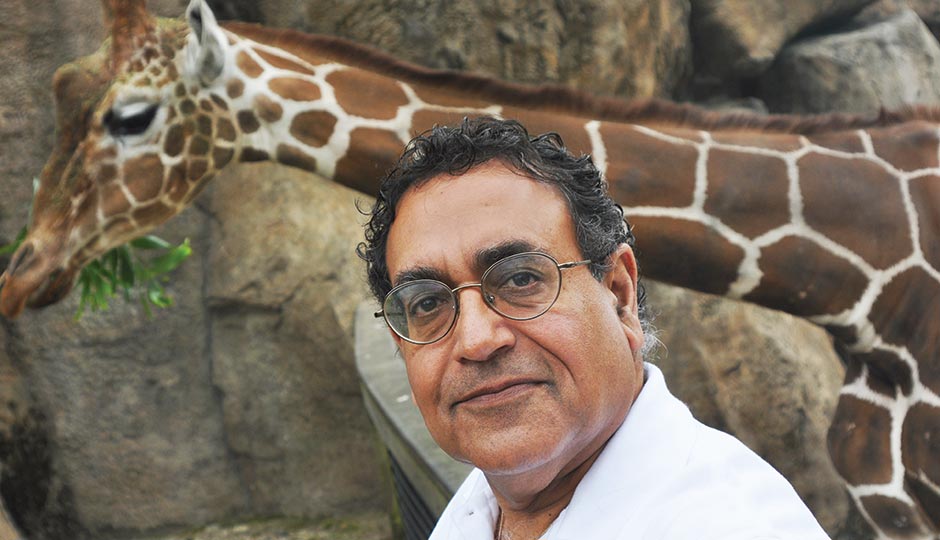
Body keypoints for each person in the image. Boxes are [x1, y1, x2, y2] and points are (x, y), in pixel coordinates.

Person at [357, 116, 830, 540]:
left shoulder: (727, 525)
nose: (477, 340)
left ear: (619, 294)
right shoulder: (493, 504)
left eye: (521, 278)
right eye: (427, 303)